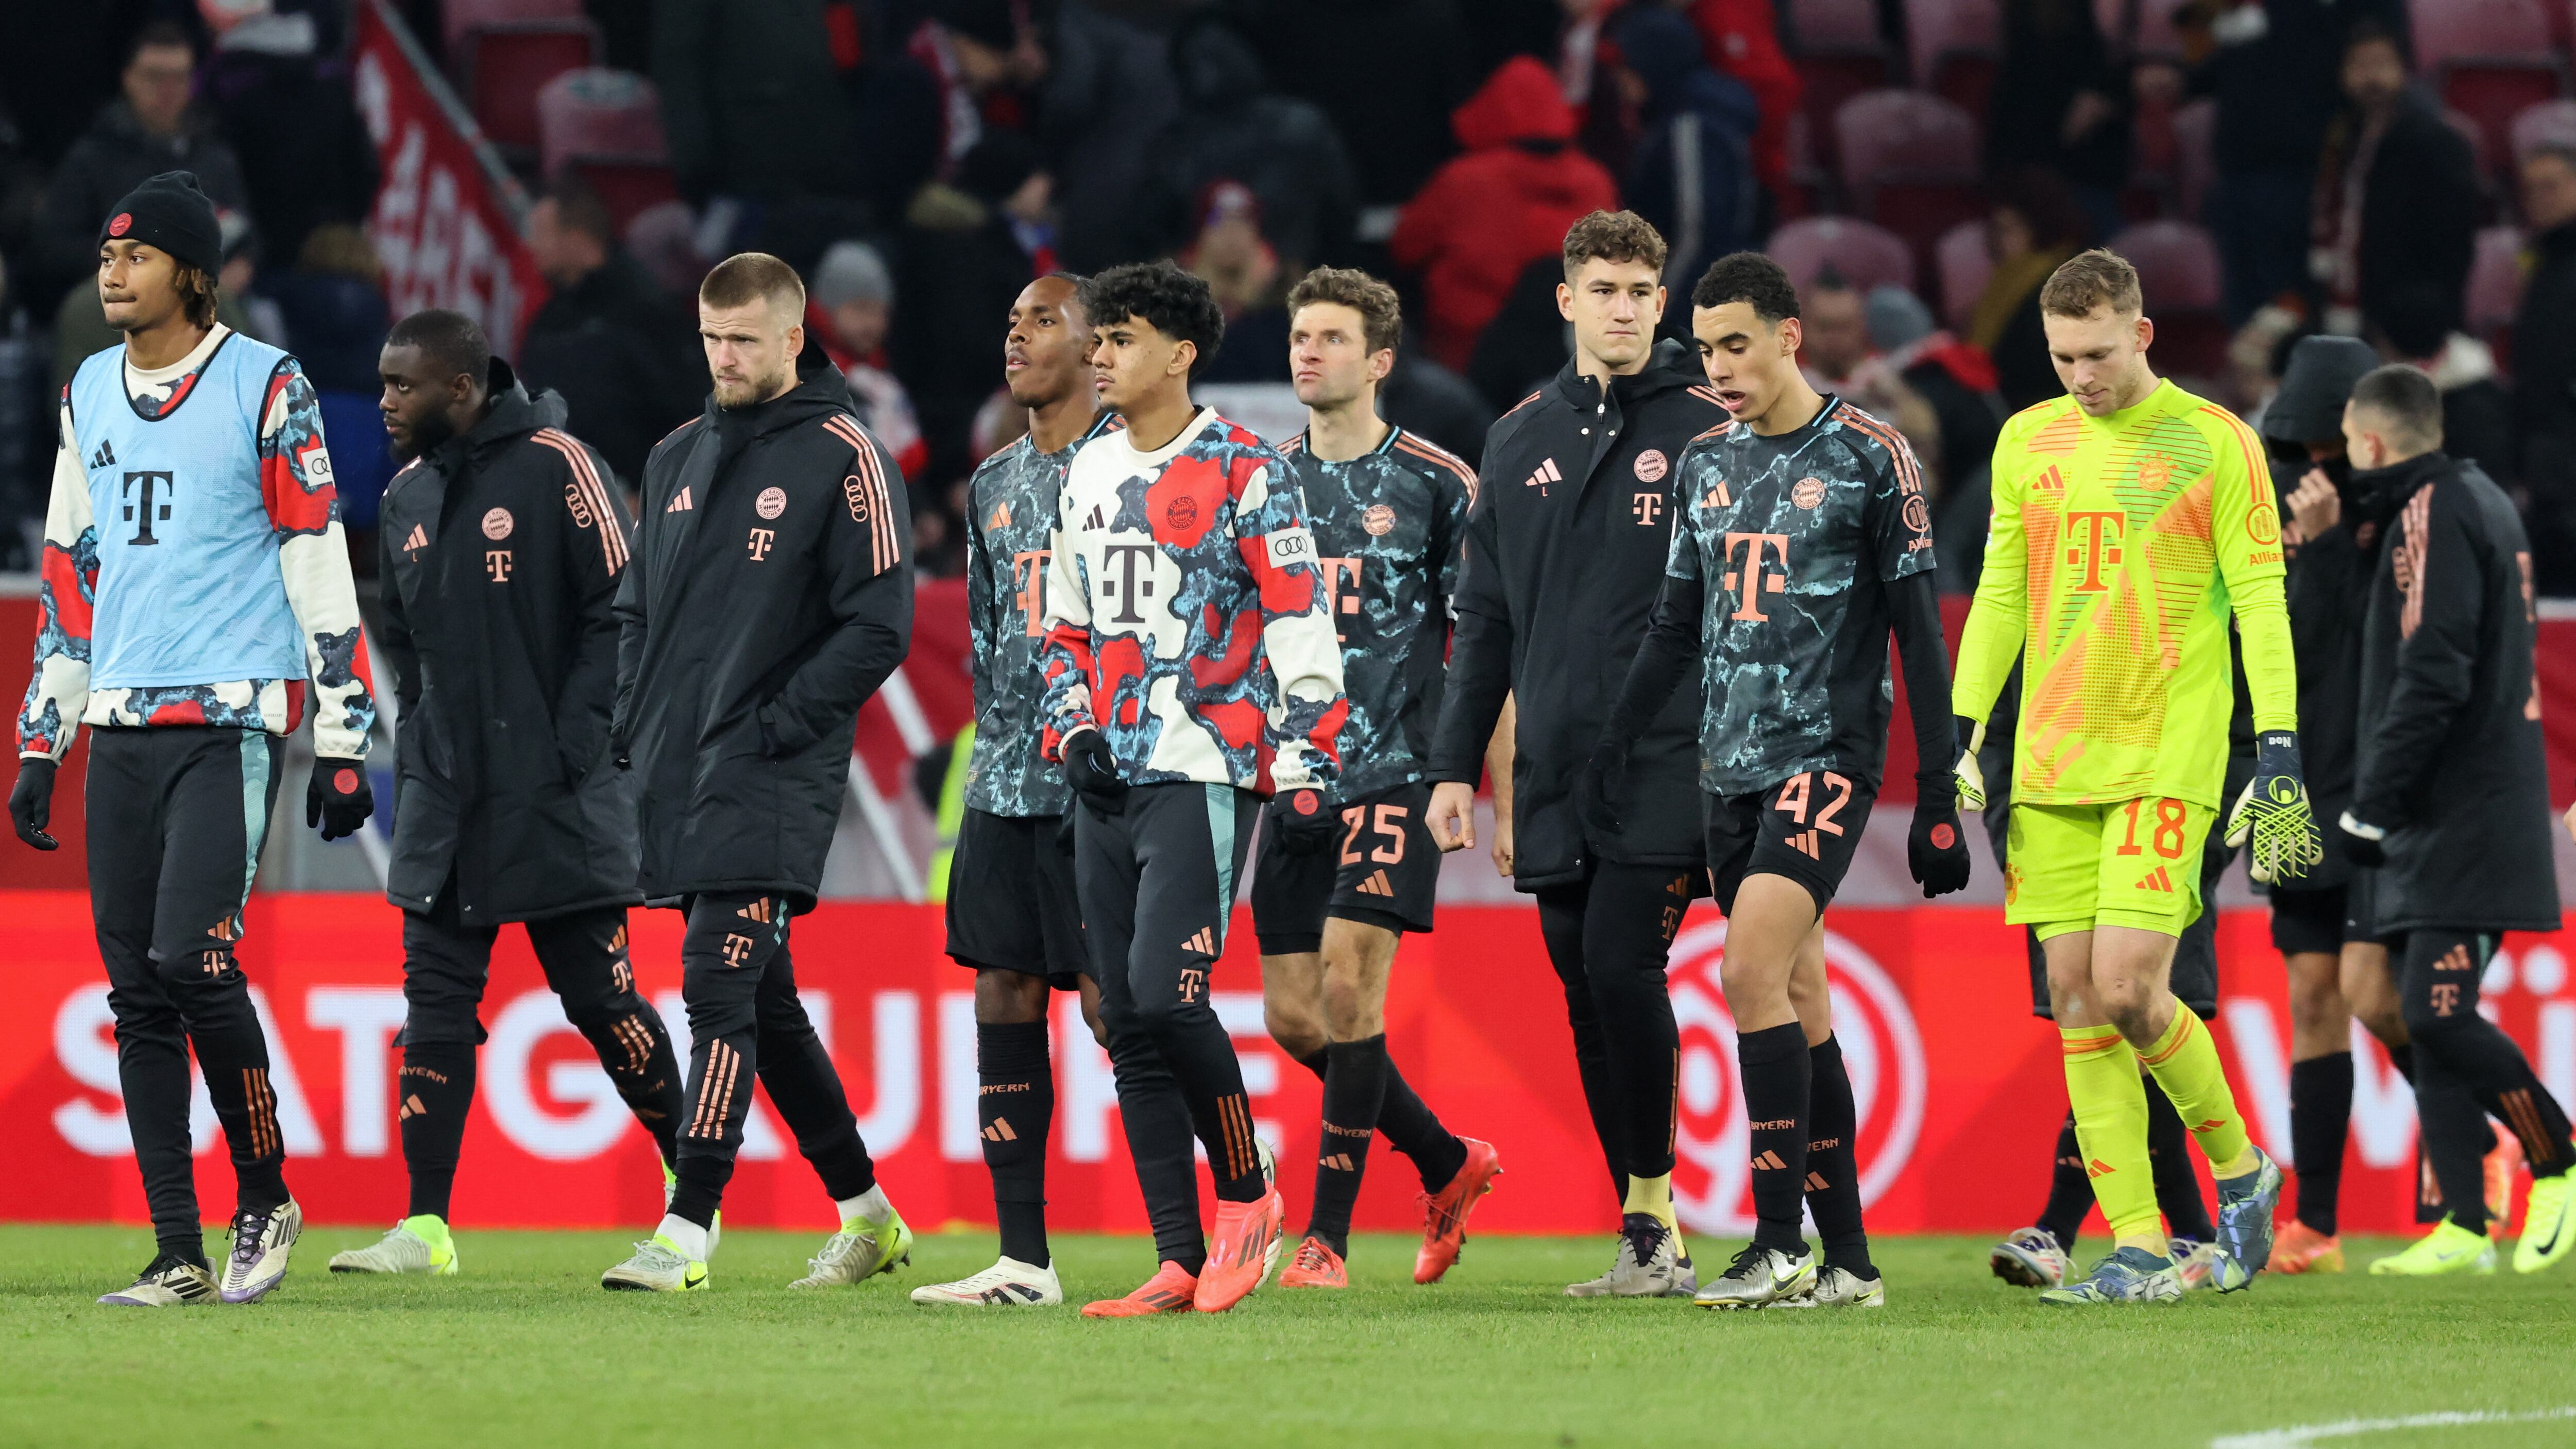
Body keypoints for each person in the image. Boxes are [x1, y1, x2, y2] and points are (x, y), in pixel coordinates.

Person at [9, 171, 377, 1307]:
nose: (111, 270)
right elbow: (72, 567)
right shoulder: (87, 389)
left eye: (136, 254)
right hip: (117, 719)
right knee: (136, 994)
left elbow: (314, 551)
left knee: (192, 958)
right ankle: (175, 1247)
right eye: (105, 254)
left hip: (225, 722)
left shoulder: (267, 385)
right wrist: (42, 735)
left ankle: (263, 1191)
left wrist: (347, 729)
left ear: (192, 270)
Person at [1581, 251, 1969, 1309]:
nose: (1721, 367)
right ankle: (1849, 1262)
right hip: (1727, 767)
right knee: (1798, 993)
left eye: (1737, 345)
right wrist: (1612, 746)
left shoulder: (1869, 453)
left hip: (1825, 759)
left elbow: (1917, 638)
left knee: (1744, 973)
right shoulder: (1706, 462)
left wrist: (1935, 792)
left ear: (1790, 336)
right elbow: (1673, 624)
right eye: (1706, 349)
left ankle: (1776, 1239)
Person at [1951, 248, 2311, 1305]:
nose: (2081, 375)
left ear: (2141, 334)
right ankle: (2143, 1243)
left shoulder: (2214, 443)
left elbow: (2259, 601)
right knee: (2073, 999)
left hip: (2166, 750)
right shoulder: (2027, 440)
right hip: (2051, 756)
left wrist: (2278, 741)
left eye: (2098, 353)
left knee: (2128, 987)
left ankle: (2243, 1167)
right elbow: (2003, 593)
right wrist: (1964, 729)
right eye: (2063, 356)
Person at [323, 310, 682, 1277]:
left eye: (405, 387)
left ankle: (693, 1189)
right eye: (385, 383)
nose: (386, 404)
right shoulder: (403, 497)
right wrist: (433, 732)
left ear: (465, 387)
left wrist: (578, 743)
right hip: (448, 794)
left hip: (557, 791)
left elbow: (624, 605)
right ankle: (425, 1226)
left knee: (603, 1005)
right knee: (434, 1004)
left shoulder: (562, 465)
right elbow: (398, 632)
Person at [1424, 211, 1732, 1298]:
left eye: (1641, 290)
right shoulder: (1515, 439)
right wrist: (1460, 769)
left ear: (1662, 302)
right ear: (1564, 299)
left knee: (1618, 964)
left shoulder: (1709, 426)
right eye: (1602, 287)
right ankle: (1647, 1230)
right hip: (1551, 764)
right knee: (1584, 993)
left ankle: (1653, 1217)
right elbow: (1488, 623)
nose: (1622, 306)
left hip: (1670, 757)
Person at [599, 252, 914, 1293]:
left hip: (775, 768)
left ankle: (686, 1227)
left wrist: (782, 721)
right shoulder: (678, 452)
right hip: (679, 768)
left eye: (742, 339)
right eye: (709, 338)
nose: (723, 357)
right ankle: (868, 1213)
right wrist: (634, 718)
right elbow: (637, 606)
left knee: (715, 980)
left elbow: (880, 622)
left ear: (791, 338)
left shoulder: (843, 454)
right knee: (764, 1007)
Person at [1036, 259, 1347, 1313]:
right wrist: (1071, 724)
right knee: (1123, 1013)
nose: (1099, 356)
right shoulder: (1082, 469)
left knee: (1172, 997)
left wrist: (1311, 759)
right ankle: (1175, 1254)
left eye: (1117, 339)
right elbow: (1062, 620)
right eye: (1099, 339)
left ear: (1178, 354)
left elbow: (1301, 612)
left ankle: (1248, 1191)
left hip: (1206, 765)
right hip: (1107, 771)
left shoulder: (1247, 469)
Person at [911, 274, 1200, 1311]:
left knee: (1119, 1007)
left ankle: (1209, 1222)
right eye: (1010, 318)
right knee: (1003, 987)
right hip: (1006, 779)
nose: (1015, 333)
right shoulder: (991, 482)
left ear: (1097, 350)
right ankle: (1022, 1258)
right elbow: (992, 641)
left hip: (1109, 778)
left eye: (1041, 320)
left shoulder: (1133, 473)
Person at [1250, 266, 1501, 1290]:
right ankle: (1447, 1159)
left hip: (1398, 768)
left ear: (1380, 360)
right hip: (1292, 779)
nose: (1308, 351)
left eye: (1332, 338)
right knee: (1293, 1016)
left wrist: (1498, 790)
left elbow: (1485, 645)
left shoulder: (1438, 483)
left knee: (1353, 983)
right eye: (1300, 335)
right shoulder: (1260, 482)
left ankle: (1327, 1240)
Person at [2334, 365, 2576, 1277]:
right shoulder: (2485, 501)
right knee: (2417, 1009)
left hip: (2460, 811)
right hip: (2459, 807)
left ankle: (2557, 1155)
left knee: (2436, 1013)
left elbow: (2433, 668)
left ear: (2372, 442)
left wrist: (2373, 804)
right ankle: (2464, 1225)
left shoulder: (2434, 511)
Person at [2248, 335, 2403, 1274]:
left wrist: (2333, 553)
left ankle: (2491, 1140)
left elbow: (2389, 642)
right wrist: (2298, 555)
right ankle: (2319, 1223)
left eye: (2328, 454)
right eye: (2298, 452)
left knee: (2375, 993)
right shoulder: (2270, 513)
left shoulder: (2407, 515)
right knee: (2313, 994)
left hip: (2380, 786)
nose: (2312, 471)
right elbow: (2279, 648)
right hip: (2299, 783)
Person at [1391, 57, 1619, 373]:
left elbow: (1405, 248)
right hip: (1574, 361)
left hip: (1465, 361)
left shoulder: (1463, 180)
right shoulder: (1595, 181)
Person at [27, 21, 251, 317]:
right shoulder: (93, 158)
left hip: (206, 303)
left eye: (179, 78)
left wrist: (241, 267)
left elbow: (245, 235)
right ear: (129, 79)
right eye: (155, 77)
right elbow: (53, 246)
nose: (168, 90)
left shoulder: (213, 158)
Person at [516, 175, 703, 488]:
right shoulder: (547, 322)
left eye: (541, 235)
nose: (531, 246)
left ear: (576, 237)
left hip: (645, 499)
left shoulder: (646, 311)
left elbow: (685, 411)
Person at [2309, 21, 2478, 342]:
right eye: (2359, 65)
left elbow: (2454, 242)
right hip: (2346, 303)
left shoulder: (2437, 142)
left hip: (2410, 317)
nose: (2370, 77)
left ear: (2404, 70)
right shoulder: (2341, 138)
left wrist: (2423, 309)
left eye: (2381, 64)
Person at [1611, 5, 1760, 295]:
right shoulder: (1668, 122)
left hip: (1690, 303)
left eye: (1628, 68)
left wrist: (1660, 309)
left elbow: (1696, 237)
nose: (1620, 79)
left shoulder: (1692, 130)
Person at [808, 241, 929, 480]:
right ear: (825, 308)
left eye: (881, 312)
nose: (873, 324)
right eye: (860, 309)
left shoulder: (883, 383)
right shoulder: (807, 375)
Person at [2512, 143, 2576, 595]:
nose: (2541, 198)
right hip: (2544, 442)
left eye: (2552, 186)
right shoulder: (2544, 258)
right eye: (2531, 190)